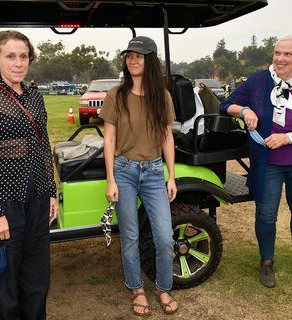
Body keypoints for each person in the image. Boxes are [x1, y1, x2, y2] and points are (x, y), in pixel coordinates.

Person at [220, 34, 292, 288]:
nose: (280, 58)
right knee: (266, 214)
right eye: (277, 53)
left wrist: (287, 138)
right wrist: (245, 111)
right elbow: (227, 104)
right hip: (267, 163)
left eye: (287, 54)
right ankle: (266, 262)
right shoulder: (258, 80)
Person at [0, 30, 58, 319]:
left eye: (23, 56)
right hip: (2, 204)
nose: (18, 63)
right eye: (10, 56)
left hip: (38, 200)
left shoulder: (35, 98)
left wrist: (52, 193)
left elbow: (44, 149)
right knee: (1, 286)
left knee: (36, 280)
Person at [100, 36, 179, 316]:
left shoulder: (163, 97)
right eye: (130, 56)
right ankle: (136, 289)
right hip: (124, 171)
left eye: (140, 56)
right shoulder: (116, 95)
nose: (133, 60)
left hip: (155, 172)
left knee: (164, 237)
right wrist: (110, 179)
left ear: (150, 61)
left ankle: (163, 287)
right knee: (130, 235)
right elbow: (108, 140)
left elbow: (167, 136)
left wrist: (171, 176)